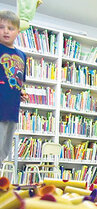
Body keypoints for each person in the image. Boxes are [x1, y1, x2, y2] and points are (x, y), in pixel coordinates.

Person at [0, 10, 27, 167]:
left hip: (12, 110)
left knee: (4, 150)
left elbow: (19, 81)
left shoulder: (22, 55)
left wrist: (20, 92)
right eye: (1, 27)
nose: (5, 31)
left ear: (18, 31)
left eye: (10, 28)